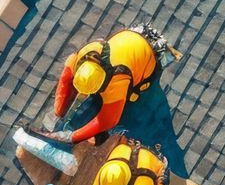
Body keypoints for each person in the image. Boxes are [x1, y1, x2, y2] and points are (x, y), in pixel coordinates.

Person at [35, 27, 164, 146]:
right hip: (127, 39)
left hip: (147, 60)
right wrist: (58, 113)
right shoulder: (84, 55)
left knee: (129, 104)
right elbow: (65, 81)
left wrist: (72, 137)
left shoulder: (118, 81)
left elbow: (107, 120)